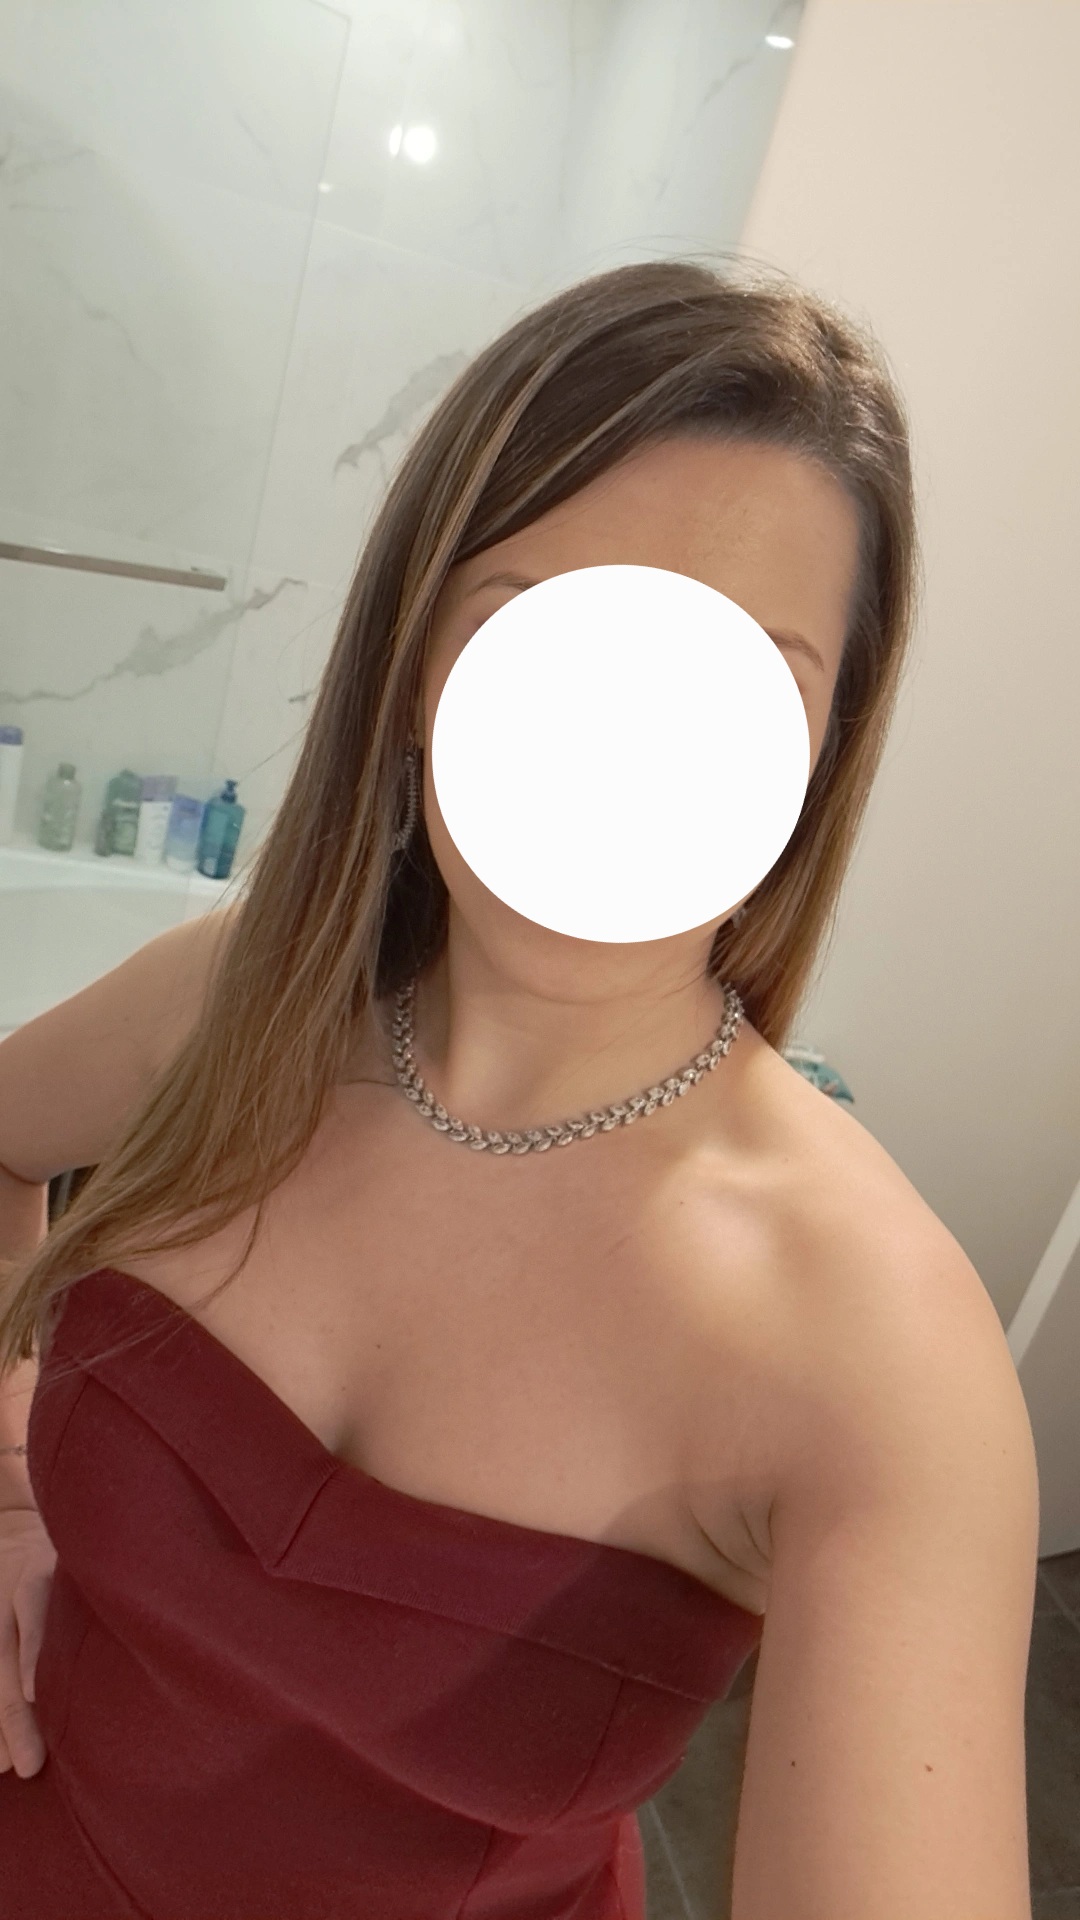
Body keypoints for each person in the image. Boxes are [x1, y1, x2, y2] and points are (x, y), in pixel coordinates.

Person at [0, 256, 1038, 1919]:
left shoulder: (874, 1351)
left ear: (818, 748)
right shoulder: (231, 1004)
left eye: (736, 679)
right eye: (533, 626)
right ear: (418, 656)